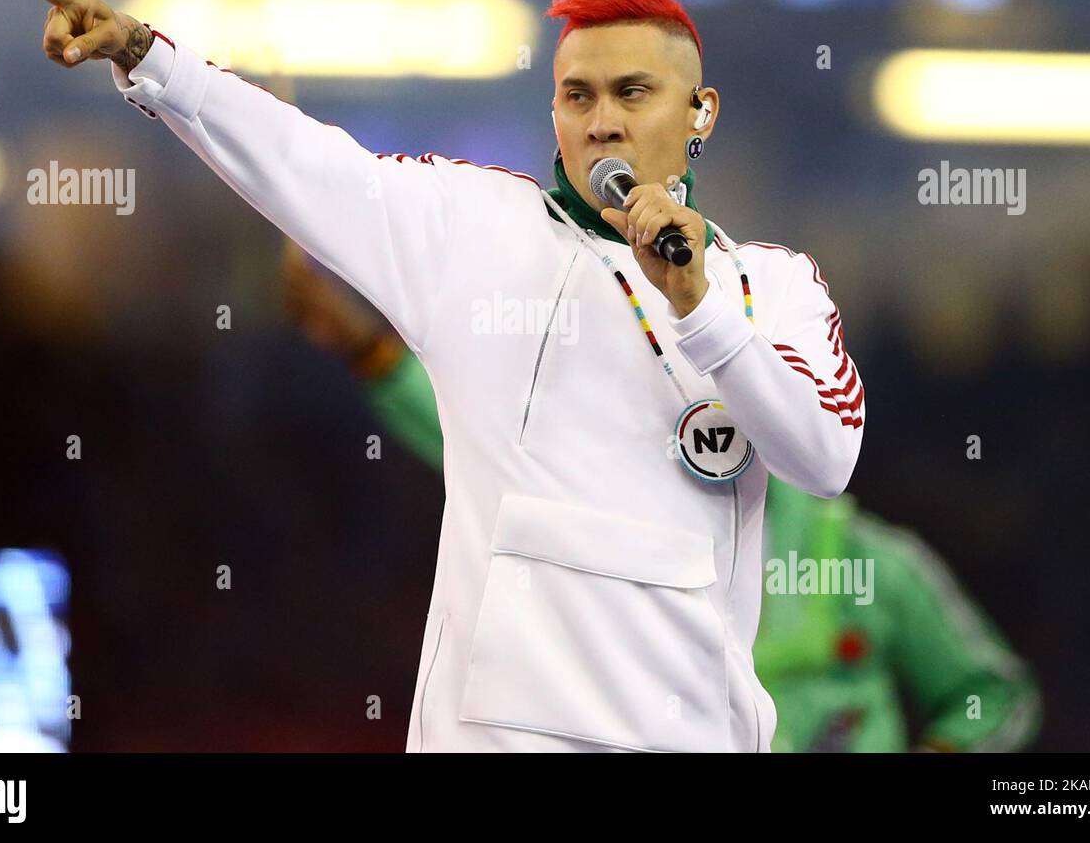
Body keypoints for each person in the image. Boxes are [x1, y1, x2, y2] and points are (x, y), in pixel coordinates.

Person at [16, 0, 866, 752]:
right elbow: (309, 166)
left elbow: (824, 459)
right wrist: (145, 56)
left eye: (632, 92)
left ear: (700, 113)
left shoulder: (773, 287)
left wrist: (697, 305)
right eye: (577, 95)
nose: (601, 118)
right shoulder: (474, 230)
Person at [282, 244, 1041, 753]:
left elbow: (996, 697)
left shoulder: (875, 567)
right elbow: (484, 454)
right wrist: (366, 347)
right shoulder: (617, 511)